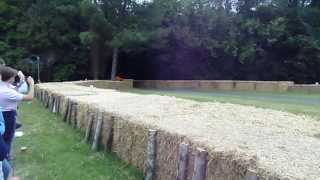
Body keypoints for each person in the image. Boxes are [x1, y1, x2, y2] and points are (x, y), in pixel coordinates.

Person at [0, 66, 34, 158]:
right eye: (13, 77)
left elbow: (15, 89)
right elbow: (29, 97)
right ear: (9, 78)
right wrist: (31, 84)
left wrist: (22, 81)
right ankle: (5, 157)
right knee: (8, 137)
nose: (14, 78)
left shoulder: (3, 85)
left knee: (4, 136)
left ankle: (5, 155)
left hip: (4, 113)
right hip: (7, 115)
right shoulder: (6, 91)